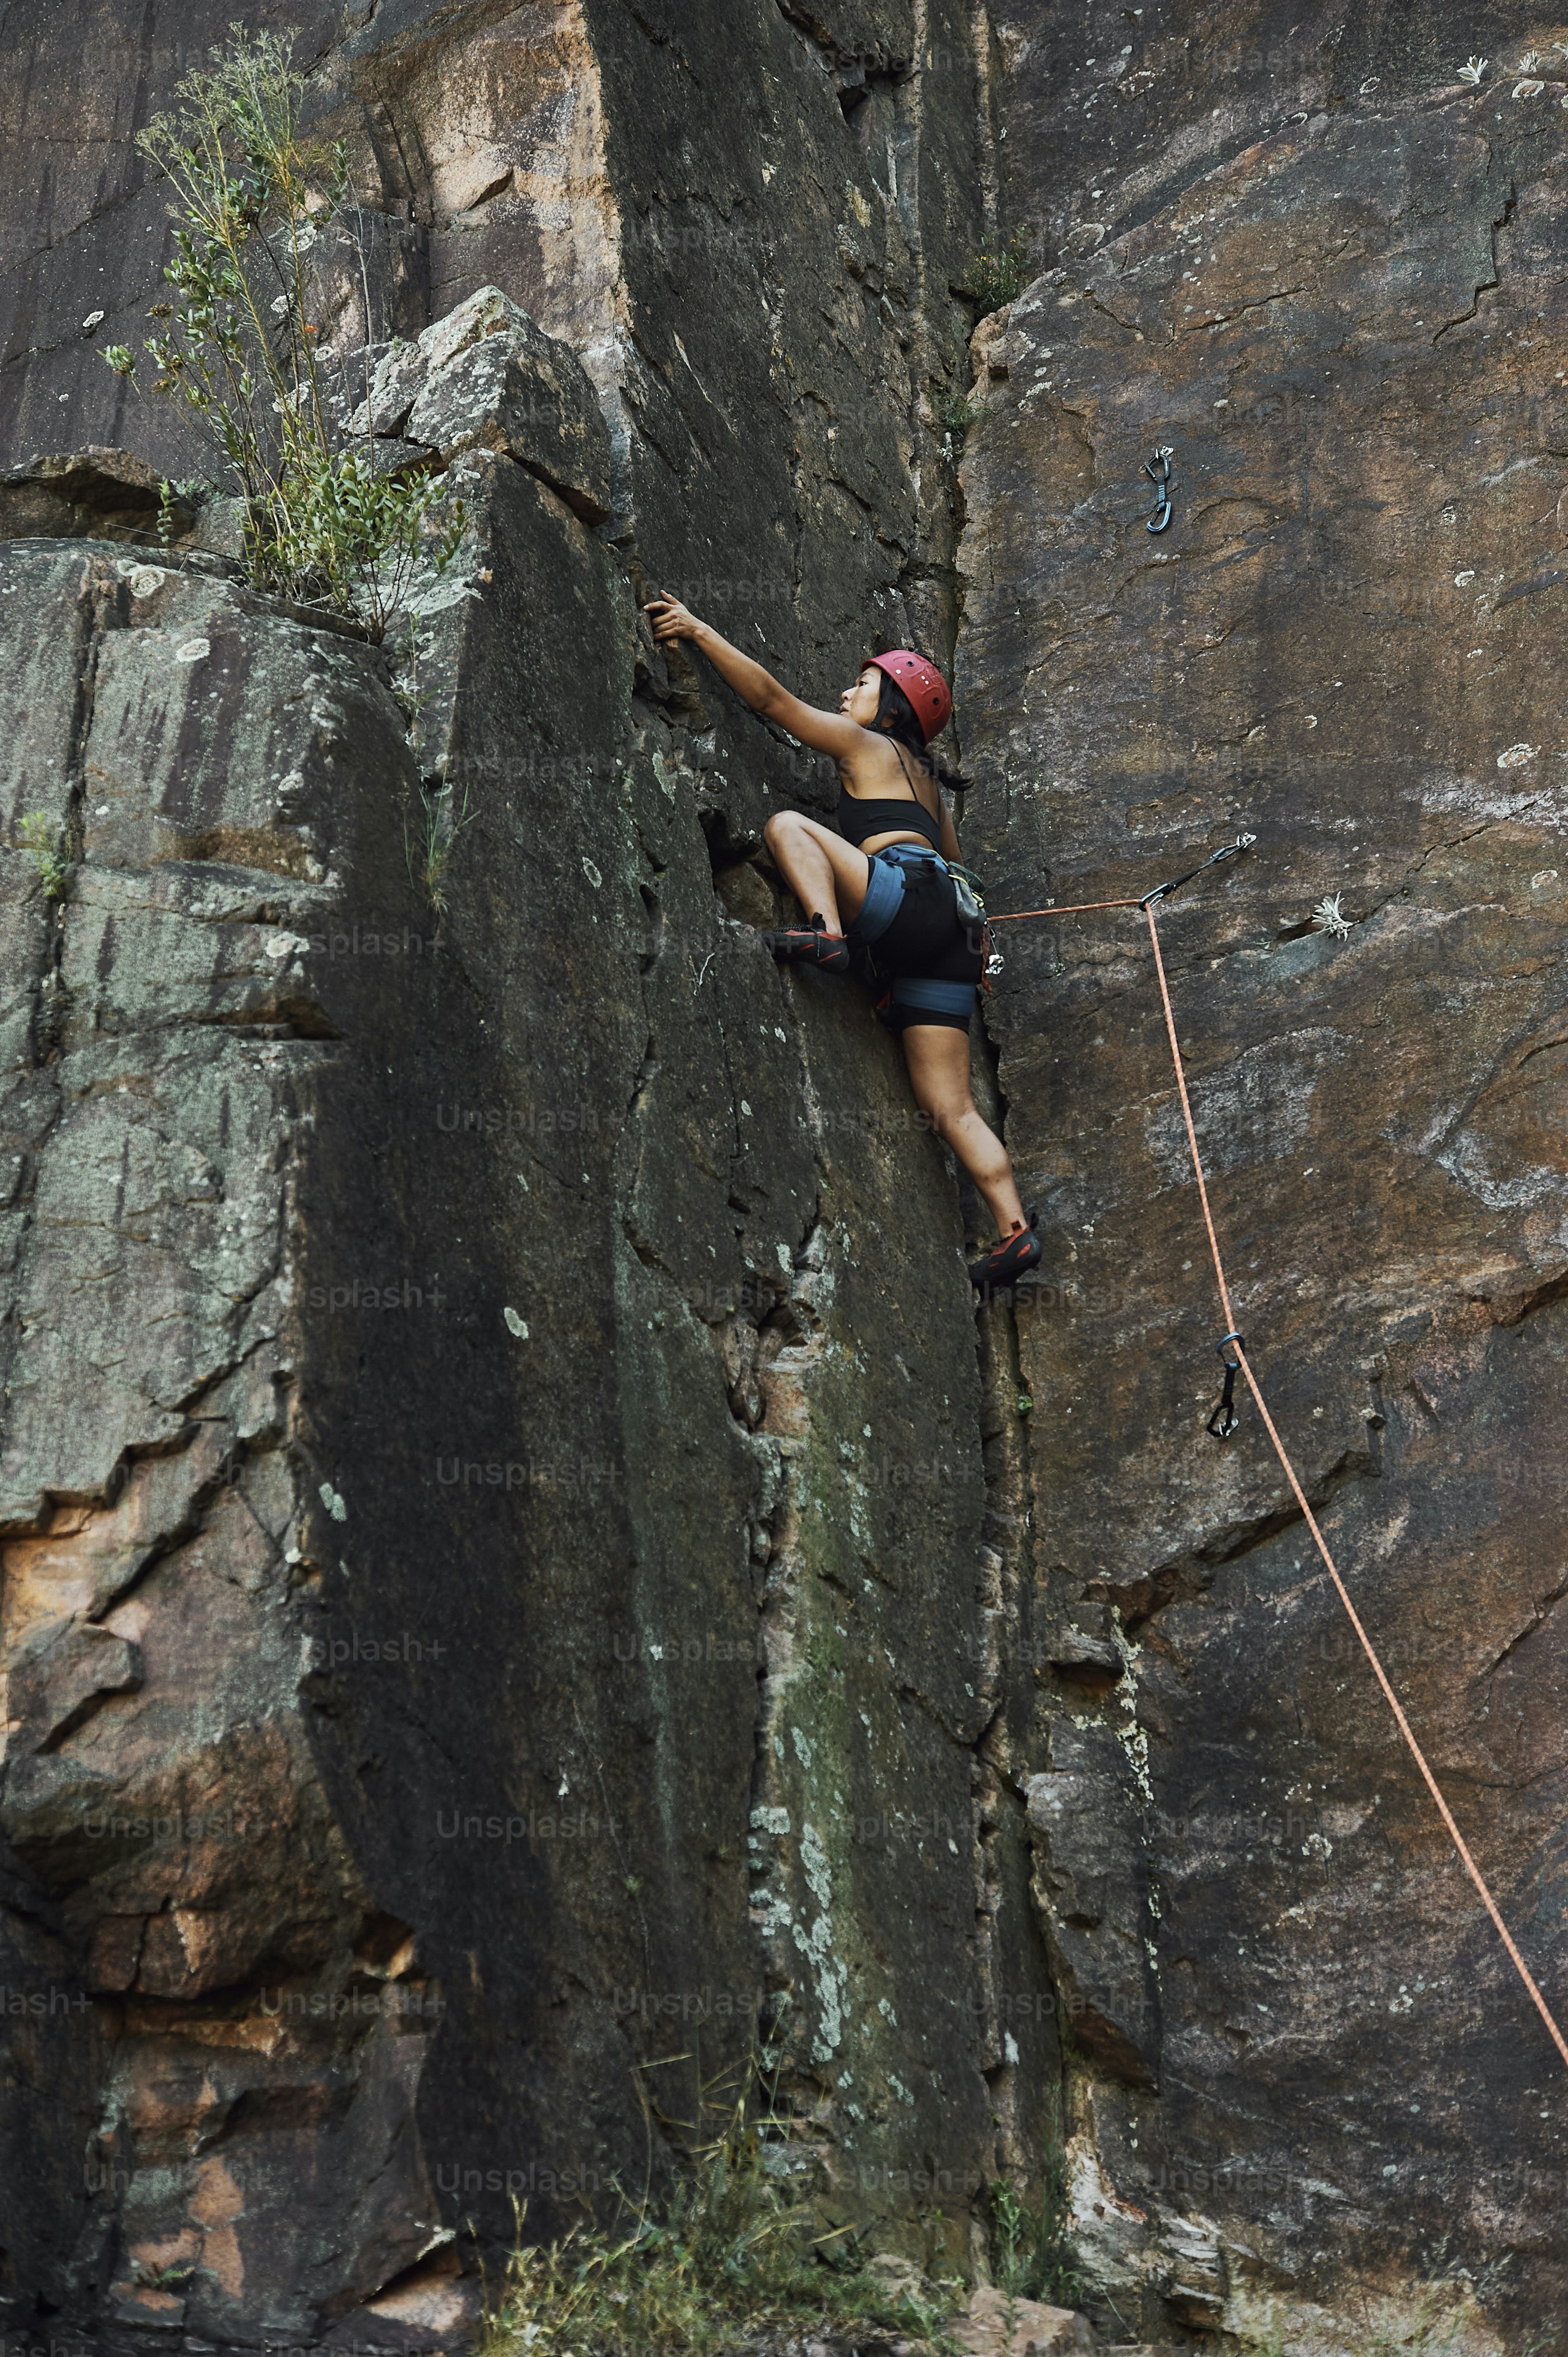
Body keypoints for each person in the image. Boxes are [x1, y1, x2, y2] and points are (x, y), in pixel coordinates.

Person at [643, 593, 1041, 1290]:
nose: (846, 693)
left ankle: (825, 931)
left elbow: (772, 701)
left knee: (788, 827)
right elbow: (957, 863)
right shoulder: (930, 786)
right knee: (951, 1106)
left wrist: (700, 630)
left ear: (893, 707)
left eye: (862, 684)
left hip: (904, 898)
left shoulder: (866, 744)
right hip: (951, 937)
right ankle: (1015, 1230)